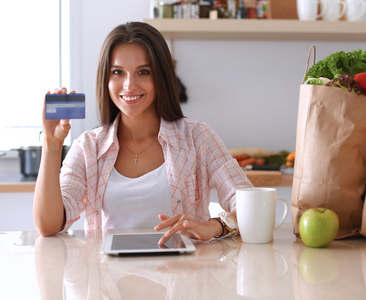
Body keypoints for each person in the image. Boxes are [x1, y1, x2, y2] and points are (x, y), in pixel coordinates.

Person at [33, 21, 253, 244]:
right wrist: (51, 144)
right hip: (107, 277)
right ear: (105, 80)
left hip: (184, 275)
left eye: (143, 72)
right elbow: (48, 226)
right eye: (118, 72)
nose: (129, 85)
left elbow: (253, 207)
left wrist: (214, 226)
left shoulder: (198, 138)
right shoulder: (88, 147)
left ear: (162, 77)